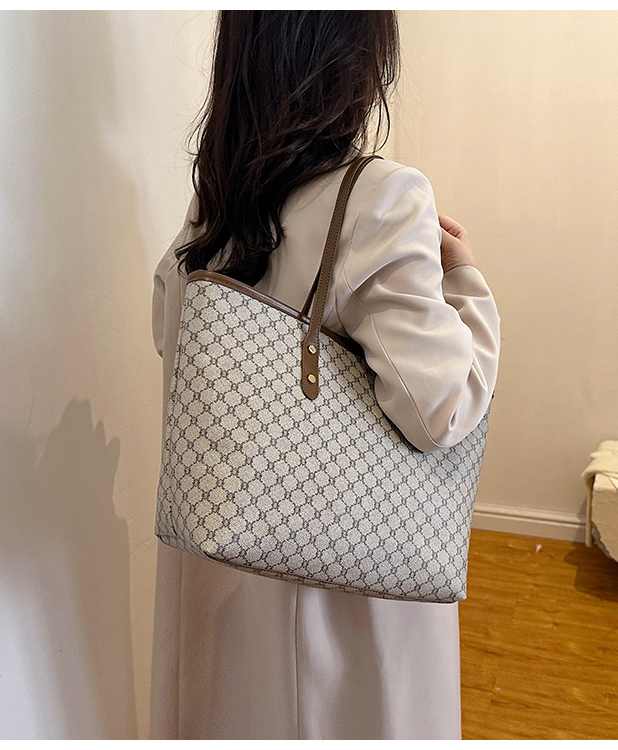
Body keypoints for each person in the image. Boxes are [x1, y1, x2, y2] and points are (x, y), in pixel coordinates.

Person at [150, 10, 500, 740]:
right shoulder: (383, 197)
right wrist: (467, 284)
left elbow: (175, 344)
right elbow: (439, 409)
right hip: (342, 599)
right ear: (358, 64)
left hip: (221, 576)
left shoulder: (214, 205)